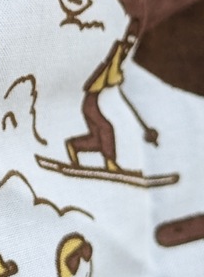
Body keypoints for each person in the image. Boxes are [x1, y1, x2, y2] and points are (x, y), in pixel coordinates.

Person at [66, 19, 158, 173]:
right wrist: (119, 77)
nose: (132, 41)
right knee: (106, 128)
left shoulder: (124, 51)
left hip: (93, 99)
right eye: (130, 37)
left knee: (98, 139)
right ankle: (110, 163)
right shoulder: (119, 49)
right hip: (91, 99)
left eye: (134, 38)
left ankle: (74, 146)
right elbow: (112, 76)